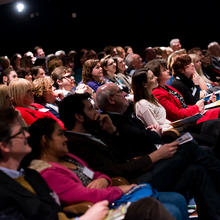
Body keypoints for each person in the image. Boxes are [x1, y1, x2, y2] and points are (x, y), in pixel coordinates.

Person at [95, 82, 220, 219]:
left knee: (198, 169)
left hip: (156, 157)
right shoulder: (110, 124)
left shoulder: (125, 115)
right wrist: (155, 140)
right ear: (111, 100)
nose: (125, 94)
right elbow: (139, 146)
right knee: (191, 146)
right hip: (144, 171)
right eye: (120, 92)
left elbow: (145, 137)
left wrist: (154, 135)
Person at [23, 117, 187, 220]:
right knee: (172, 209)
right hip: (101, 207)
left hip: (113, 194)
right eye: (60, 134)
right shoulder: (46, 172)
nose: (66, 138)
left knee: (178, 198)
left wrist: (103, 179)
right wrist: (121, 190)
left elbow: (98, 174)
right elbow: (84, 195)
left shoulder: (67, 157)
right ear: (45, 140)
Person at [0, 107, 114, 220]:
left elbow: (54, 212)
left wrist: (105, 180)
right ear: (4, 146)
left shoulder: (31, 174)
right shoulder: (3, 192)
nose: (27, 135)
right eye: (20, 132)